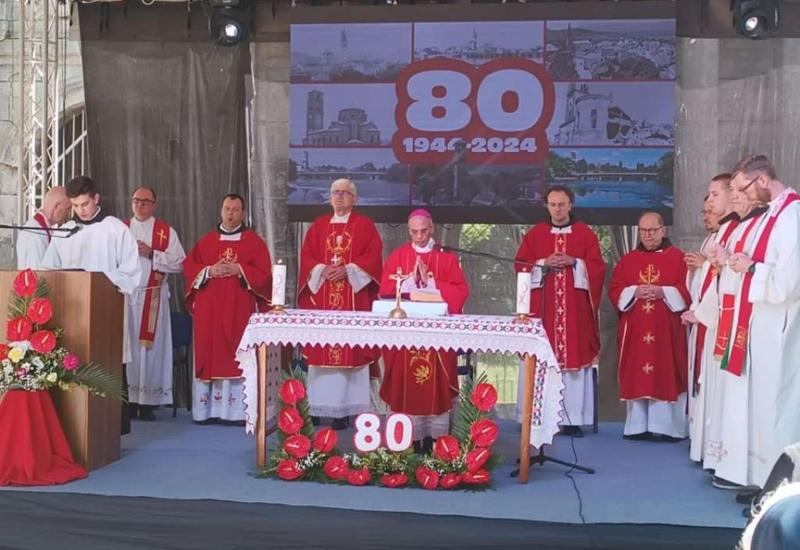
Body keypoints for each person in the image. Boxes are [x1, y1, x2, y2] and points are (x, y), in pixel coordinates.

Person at [695, 155, 800, 491]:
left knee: (780, 405)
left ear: (763, 180)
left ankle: (780, 486)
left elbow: (790, 283)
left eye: (743, 188)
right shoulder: (775, 214)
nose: (741, 195)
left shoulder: (791, 215)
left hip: (782, 325)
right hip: (764, 323)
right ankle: (763, 481)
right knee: (767, 405)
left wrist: (749, 267)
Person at [40, 175, 141, 434]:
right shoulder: (65, 231)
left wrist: (101, 280)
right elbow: (49, 268)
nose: (80, 211)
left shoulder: (116, 229)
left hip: (105, 311)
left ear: (96, 198)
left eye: (84, 204)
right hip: (73, 313)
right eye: (75, 205)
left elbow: (131, 272)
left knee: (107, 364)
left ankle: (109, 428)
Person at [514, 186, 605, 436]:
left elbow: (598, 268)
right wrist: (543, 263)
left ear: (571, 204)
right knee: (542, 360)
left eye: (562, 204)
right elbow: (520, 266)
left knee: (573, 360)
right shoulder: (535, 235)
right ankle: (538, 416)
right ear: (547, 206)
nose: (558, 209)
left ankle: (572, 419)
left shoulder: (585, 235)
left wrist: (575, 262)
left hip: (574, 314)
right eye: (553, 204)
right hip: (544, 312)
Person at [379, 209, 469, 452]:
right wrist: (409, 280)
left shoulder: (446, 258)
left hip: (437, 337)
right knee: (405, 380)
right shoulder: (399, 255)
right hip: (406, 335)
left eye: (424, 231)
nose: (419, 236)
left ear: (432, 229)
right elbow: (385, 289)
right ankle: (408, 436)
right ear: (409, 231)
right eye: (414, 231)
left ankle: (435, 437)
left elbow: (460, 292)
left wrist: (431, 283)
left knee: (436, 382)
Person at [297, 178, 382, 430]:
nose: (340, 197)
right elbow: (307, 256)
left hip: (352, 299)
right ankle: (317, 407)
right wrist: (322, 269)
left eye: (345, 193)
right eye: (335, 193)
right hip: (322, 298)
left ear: (354, 198)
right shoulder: (318, 226)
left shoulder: (364, 225)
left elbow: (374, 257)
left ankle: (347, 410)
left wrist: (348, 270)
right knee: (322, 351)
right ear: (330, 197)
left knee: (350, 352)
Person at [183, 193, 272, 425]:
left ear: (243, 213)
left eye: (235, 209)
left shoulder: (253, 242)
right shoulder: (207, 241)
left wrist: (240, 269)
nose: (230, 213)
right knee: (210, 352)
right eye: (227, 209)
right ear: (221, 211)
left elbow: (264, 275)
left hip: (239, 308)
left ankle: (237, 413)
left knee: (236, 354)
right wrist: (209, 271)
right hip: (209, 311)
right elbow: (190, 267)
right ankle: (206, 411)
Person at [608, 212, 690, 441]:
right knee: (638, 374)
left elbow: (688, 290)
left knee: (666, 372)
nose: (648, 235)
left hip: (666, 330)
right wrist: (634, 291)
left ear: (663, 230)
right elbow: (615, 290)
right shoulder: (628, 260)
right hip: (636, 330)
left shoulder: (678, 258)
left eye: (653, 230)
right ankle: (637, 426)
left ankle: (667, 428)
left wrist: (663, 291)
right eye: (644, 231)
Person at [683, 174, 737, 464]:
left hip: (722, 322)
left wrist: (707, 265)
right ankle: (703, 445)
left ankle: (716, 452)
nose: (709, 204)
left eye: (714, 195)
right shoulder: (718, 235)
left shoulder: (735, 231)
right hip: (707, 316)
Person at [124, 186, 186, 421]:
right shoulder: (120, 228)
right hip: (127, 298)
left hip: (153, 298)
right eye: (136, 201)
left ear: (154, 204)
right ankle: (128, 400)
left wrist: (152, 253)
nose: (139, 205)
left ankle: (148, 402)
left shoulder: (164, 231)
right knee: (128, 348)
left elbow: (180, 262)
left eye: (145, 201)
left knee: (150, 349)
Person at [16, 186, 71, 269]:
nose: (68, 214)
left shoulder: (38, 228)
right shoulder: (36, 234)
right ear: (56, 207)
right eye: (67, 209)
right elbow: (38, 273)